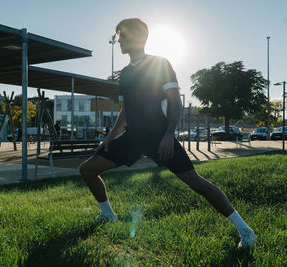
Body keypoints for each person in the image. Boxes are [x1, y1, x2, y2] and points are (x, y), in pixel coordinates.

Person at [79, 18, 256, 248]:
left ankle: (246, 232)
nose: (119, 40)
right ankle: (108, 215)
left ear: (137, 38)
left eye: (123, 36)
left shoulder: (160, 63)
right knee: (88, 169)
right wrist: (111, 136)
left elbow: (175, 103)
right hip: (132, 138)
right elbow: (126, 110)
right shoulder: (125, 73)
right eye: (119, 36)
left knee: (197, 184)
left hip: (158, 137)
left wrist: (168, 135)